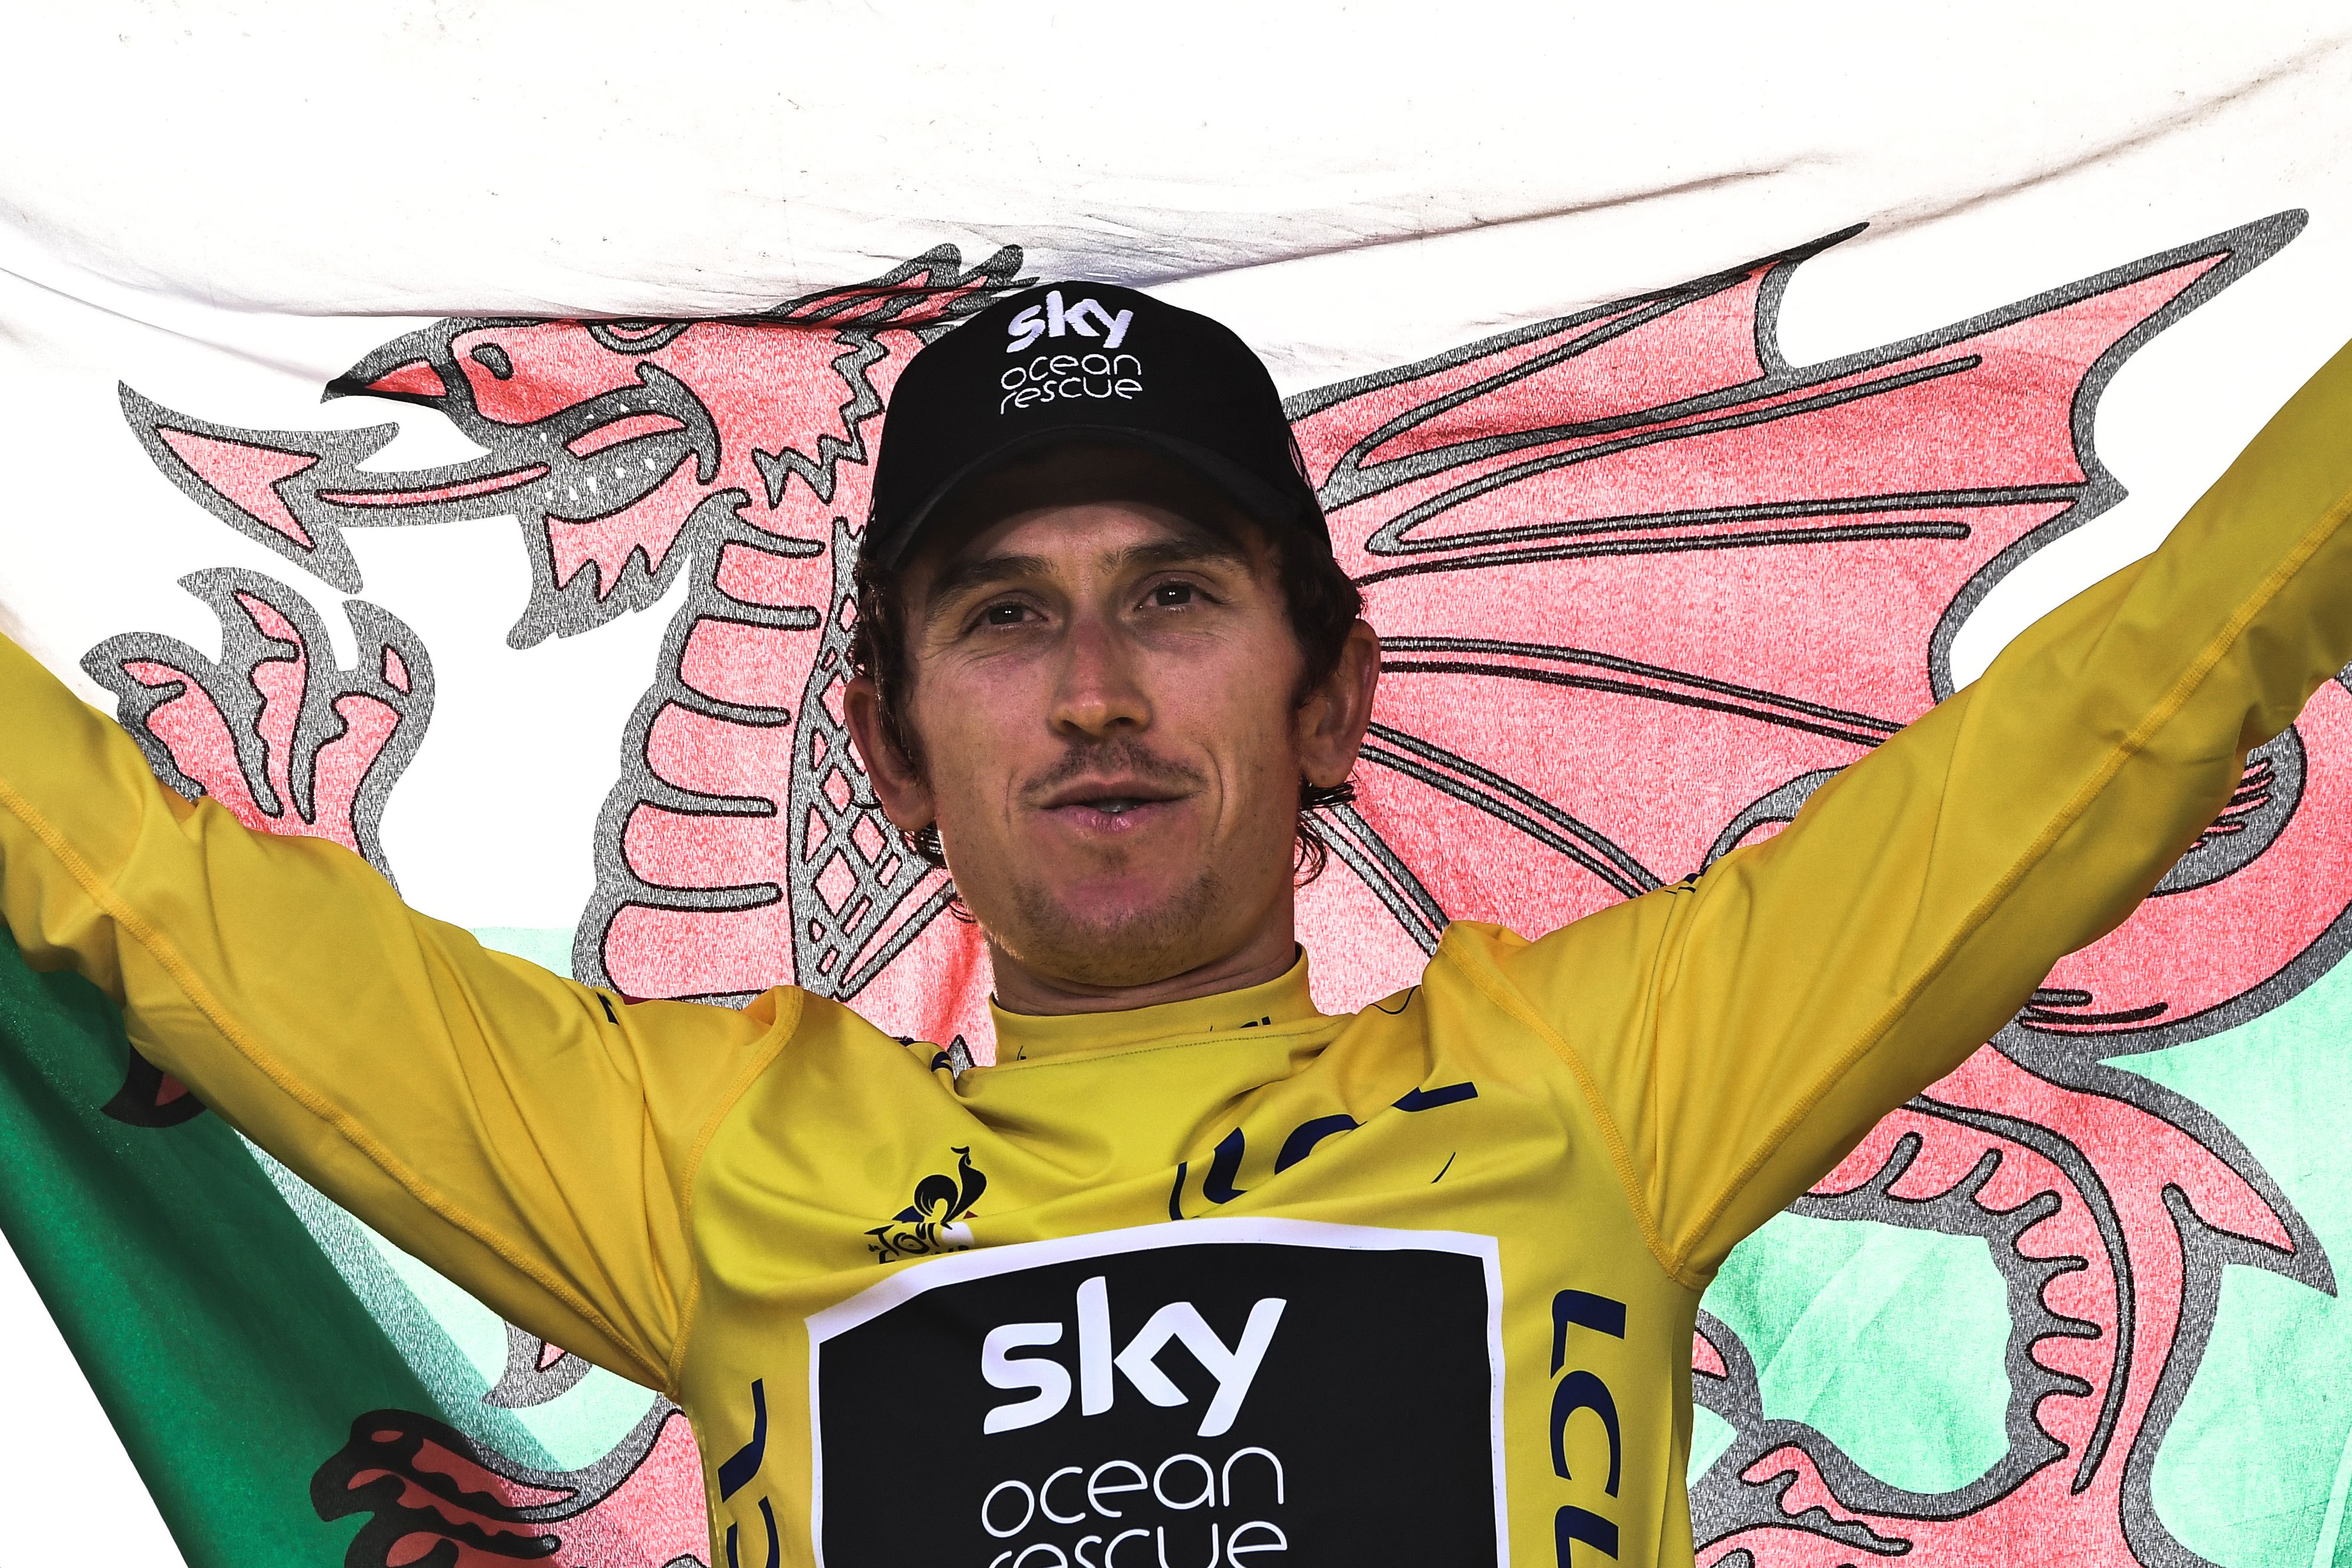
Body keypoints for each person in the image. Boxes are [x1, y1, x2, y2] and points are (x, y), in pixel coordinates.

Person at [1, 280, 2347, 1568]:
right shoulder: (715, 1168)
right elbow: (133, 878)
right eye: (1003, 618)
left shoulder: (1591, 1084)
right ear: (888, 747)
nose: (1097, 691)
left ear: (1330, 695)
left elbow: (2138, 698)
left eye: (1176, 596)